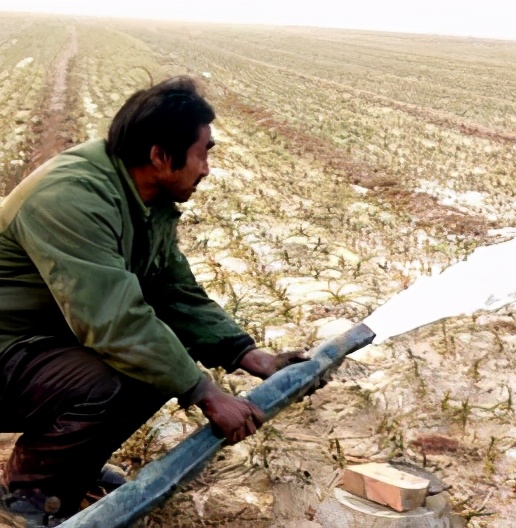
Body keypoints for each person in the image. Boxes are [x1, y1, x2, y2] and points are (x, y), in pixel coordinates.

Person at [0, 76, 305, 524]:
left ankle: (72, 471)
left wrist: (246, 353)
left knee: (158, 365)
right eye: (202, 154)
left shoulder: (144, 196)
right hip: (8, 349)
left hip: (34, 342)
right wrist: (205, 392)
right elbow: (114, 322)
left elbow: (173, 290)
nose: (206, 169)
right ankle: (29, 495)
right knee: (120, 375)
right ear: (160, 156)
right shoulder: (71, 198)